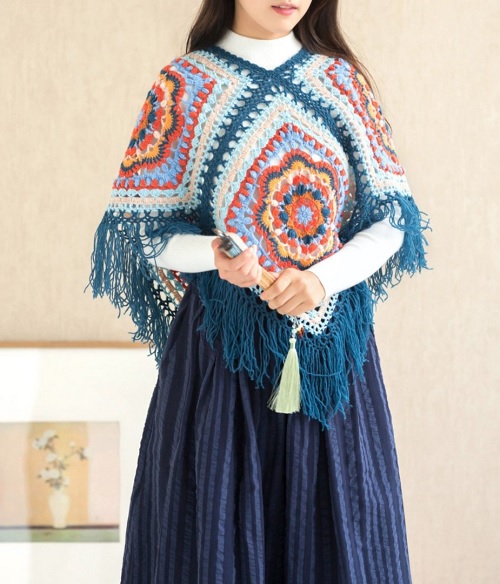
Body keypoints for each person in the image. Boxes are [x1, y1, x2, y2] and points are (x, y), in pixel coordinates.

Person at [89, 0, 429, 582]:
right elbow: (143, 230)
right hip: (221, 358)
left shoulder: (341, 82)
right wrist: (214, 256)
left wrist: (321, 279)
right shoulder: (184, 85)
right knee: (212, 539)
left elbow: (392, 221)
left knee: (342, 541)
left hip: (333, 364)